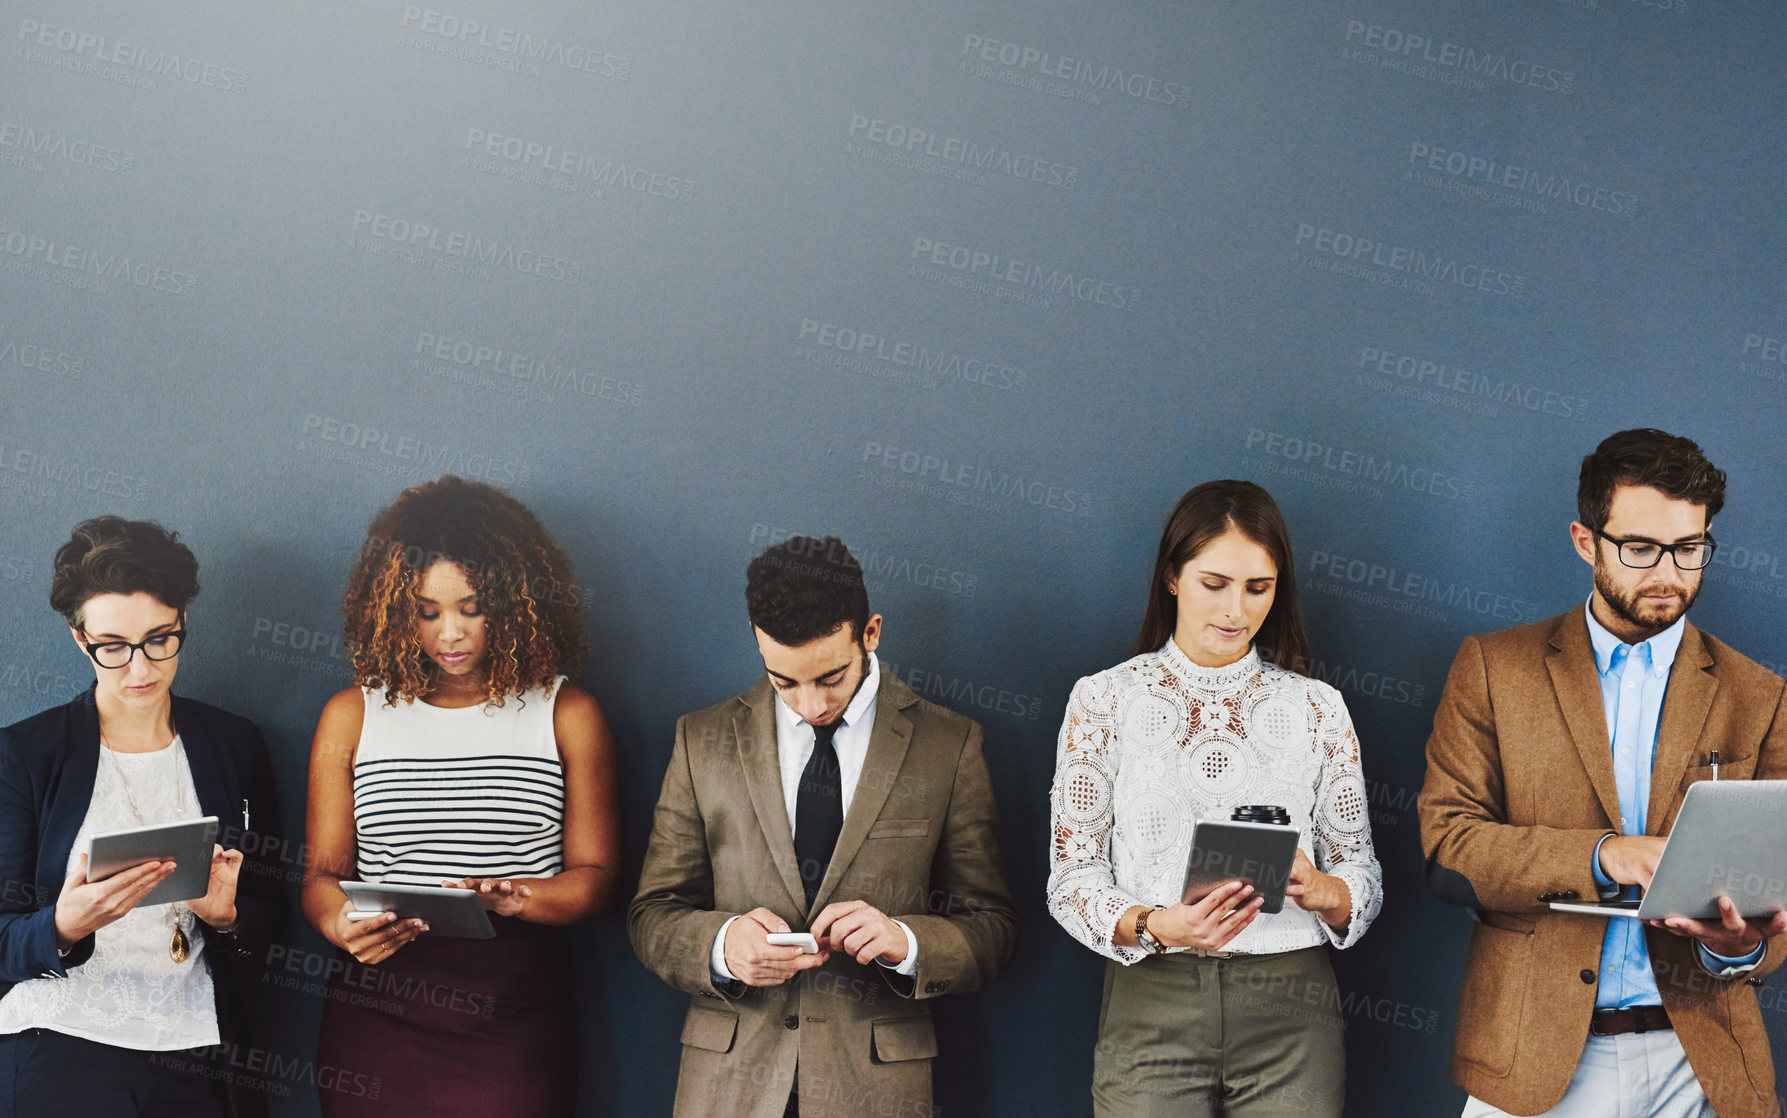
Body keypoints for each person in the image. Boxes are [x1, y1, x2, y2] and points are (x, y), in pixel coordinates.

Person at [1419, 428, 1787, 1118]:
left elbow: (1778, 888)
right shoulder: (1494, 669)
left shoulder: (1759, 695)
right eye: (1640, 548)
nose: (1667, 573)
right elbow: (1447, 849)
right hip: (1531, 1063)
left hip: (1703, 1066)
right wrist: (1604, 855)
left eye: (1687, 549)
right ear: (1584, 542)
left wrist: (1736, 950)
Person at [628, 535, 1018, 1118]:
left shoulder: (950, 745)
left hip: (875, 1086)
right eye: (784, 682)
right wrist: (720, 948)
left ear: (871, 633)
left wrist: (907, 944)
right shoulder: (701, 740)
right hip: (730, 1084)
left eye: (830, 677)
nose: (810, 705)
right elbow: (651, 914)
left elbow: (993, 928)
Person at [1047, 479, 1383, 1117]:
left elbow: (1361, 873)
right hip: (1151, 998)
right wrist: (1155, 925)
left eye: (1258, 588)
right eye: (1215, 583)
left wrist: (1326, 892)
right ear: (1173, 577)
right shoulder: (1103, 700)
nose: (1236, 609)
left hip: (1293, 1005)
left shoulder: (1318, 707)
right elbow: (1071, 879)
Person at [302, 476, 621, 1118]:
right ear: (395, 608)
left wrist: (519, 895)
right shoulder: (352, 714)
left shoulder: (567, 713)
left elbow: (598, 880)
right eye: (427, 611)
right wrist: (336, 922)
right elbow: (322, 875)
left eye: (471, 607)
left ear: (514, 599)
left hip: (512, 1005)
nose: (451, 633)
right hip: (379, 999)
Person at [0, 516, 286, 1117]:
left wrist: (229, 917)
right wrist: (63, 926)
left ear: (182, 622)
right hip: (60, 1046)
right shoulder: (22, 754)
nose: (141, 668)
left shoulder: (234, 744)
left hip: (199, 1050)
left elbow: (272, 922)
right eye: (113, 647)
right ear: (81, 639)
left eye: (160, 639)